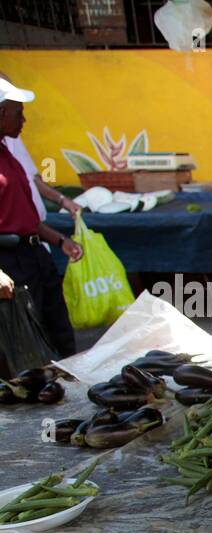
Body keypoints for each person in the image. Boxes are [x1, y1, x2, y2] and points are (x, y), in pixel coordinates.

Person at [0, 76, 80, 357]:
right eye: (18, 113)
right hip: (9, 260)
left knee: (60, 329)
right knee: (29, 341)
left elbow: (26, 216)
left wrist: (60, 241)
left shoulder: (10, 156)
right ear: (0, 114)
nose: (24, 120)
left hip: (34, 253)